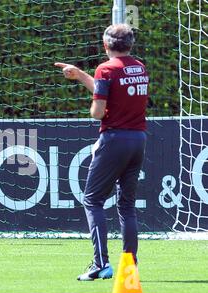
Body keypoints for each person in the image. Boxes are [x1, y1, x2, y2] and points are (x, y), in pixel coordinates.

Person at [54, 24, 148, 280]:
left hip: (114, 138)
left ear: (105, 46)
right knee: (126, 206)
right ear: (130, 44)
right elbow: (116, 90)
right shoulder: (139, 67)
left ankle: (100, 264)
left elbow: (98, 111)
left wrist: (95, 102)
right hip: (138, 138)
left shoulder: (106, 69)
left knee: (92, 200)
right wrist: (83, 76)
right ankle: (130, 268)